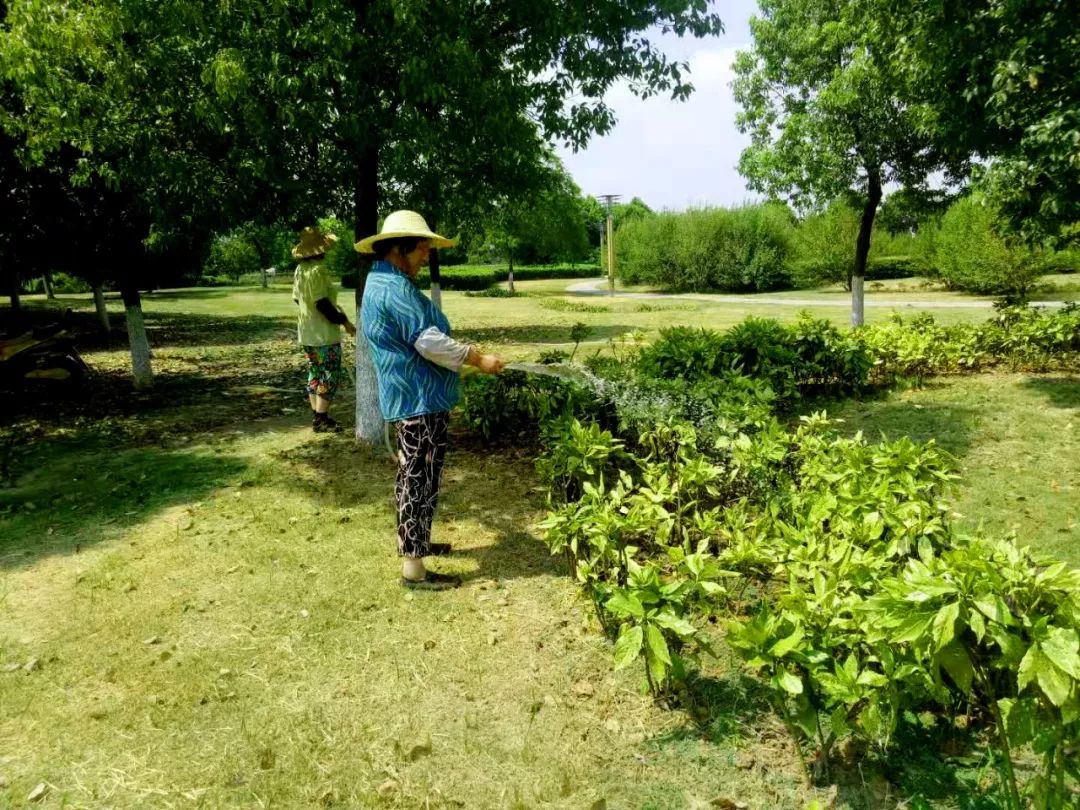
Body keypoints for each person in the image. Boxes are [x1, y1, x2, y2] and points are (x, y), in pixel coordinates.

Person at [356, 210, 505, 590]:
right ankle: (414, 570)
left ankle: (417, 543)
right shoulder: (393, 288)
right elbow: (429, 342)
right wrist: (478, 358)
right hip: (417, 401)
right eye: (422, 249)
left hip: (416, 397)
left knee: (419, 477)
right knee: (417, 480)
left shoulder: (383, 281)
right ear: (400, 249)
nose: (426, 256)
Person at [291, 226, 356, 433]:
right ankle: (321, 418)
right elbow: (321, 303)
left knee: (316, 372)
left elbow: (296, 298)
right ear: (320, 249)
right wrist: (343, 321)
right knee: (329, 374)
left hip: (307, 331)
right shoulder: (317, 270)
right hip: (323, 334)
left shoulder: (300, 269)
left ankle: (317, 416)